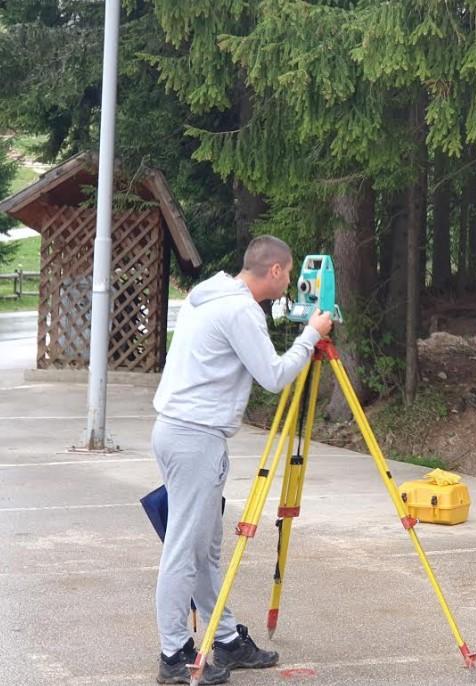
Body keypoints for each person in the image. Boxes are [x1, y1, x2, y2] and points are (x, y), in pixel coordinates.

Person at [151, 235, 333, 684]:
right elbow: (273, 376)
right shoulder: (240, 311)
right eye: (290, 273)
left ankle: (226, 638)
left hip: (183, 431)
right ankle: (174, 654)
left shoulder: (212, 293)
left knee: (204, 550)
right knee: (183, 550)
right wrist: (312, 334)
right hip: (195, 437)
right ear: (273, 271)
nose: (293, 281)